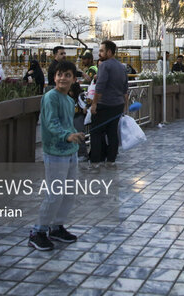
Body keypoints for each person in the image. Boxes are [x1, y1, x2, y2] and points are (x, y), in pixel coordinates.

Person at [28, 61, 85, 251]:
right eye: (60, 74)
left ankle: (56, 227)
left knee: (68, 193)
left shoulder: (69, 100)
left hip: (70, 152)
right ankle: (38, 231)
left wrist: (74, 135)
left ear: (74, 79)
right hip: (55, 153)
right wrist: (67, 135)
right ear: (54, 77)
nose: (63, 78)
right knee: (54, 194)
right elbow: (51, 123)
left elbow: (67, 125)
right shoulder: (50, 97)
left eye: (67, 75)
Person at [89, 40, 128, 170]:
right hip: (117, 105)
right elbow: (125, 89)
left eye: (101, 51)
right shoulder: (122, 67)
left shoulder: (105, 66)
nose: (99, 53)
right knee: (112, 133)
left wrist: (94, 104)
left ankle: (95, 161)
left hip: (104, 104)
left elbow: (99, 87)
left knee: (96, 132)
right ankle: (111, 159)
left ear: (109, 52)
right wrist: (124, 107)